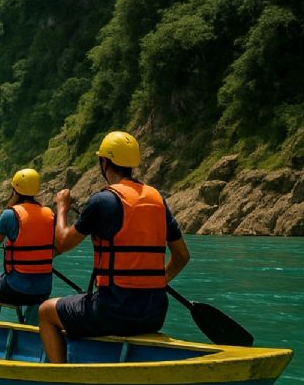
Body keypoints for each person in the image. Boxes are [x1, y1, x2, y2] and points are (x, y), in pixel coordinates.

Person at [37, 131, 191, 363]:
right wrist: (156, 282)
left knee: (46, 312)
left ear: (104, 162)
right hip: (154, 313)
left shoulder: (102, 201)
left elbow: (62, 242)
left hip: (113, 312)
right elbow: (181, 256)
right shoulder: (157, 199)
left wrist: (62, 207)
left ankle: (60, 377)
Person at [0, 168, 54, 313]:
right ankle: (32, 328)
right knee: (36, 297)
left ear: (14, 190)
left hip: (15, 288)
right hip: (44, 290)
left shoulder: (9, 215)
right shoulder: (49, 215)